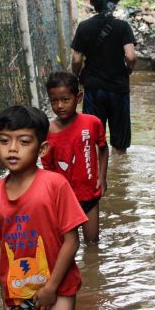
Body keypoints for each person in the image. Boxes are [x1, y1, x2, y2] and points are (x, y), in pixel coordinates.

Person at [0, 106, 87, 310]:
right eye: (5, 141)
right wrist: (5, 297)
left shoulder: (55, 185)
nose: (13, 149)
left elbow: (72, 240)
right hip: (19, 290)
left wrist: (51, 287)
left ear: (42, 148)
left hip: (59, 286)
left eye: (24, 142)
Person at [41, 71, 109, 243]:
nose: (59, 106)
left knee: (92, 244)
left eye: (65, 99)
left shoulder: (92, 123)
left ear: (78, 97)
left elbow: (103, 148)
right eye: (54, 101)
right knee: (67, 245)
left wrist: (102, 177)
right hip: (64, 199)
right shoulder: (47, 132)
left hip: (90, 195)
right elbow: (47, 167)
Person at [71, 0, 137, 155]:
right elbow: (131, 56)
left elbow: (76, 59)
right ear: (114, 3)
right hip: (118, 89)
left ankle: (96, 176)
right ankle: (120, 177)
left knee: (93, 139)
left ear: (93, 3)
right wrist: (128, 69)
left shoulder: (83, 27)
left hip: (94, 89)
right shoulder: (123, 27)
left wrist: (77, 77)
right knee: (120, 144)